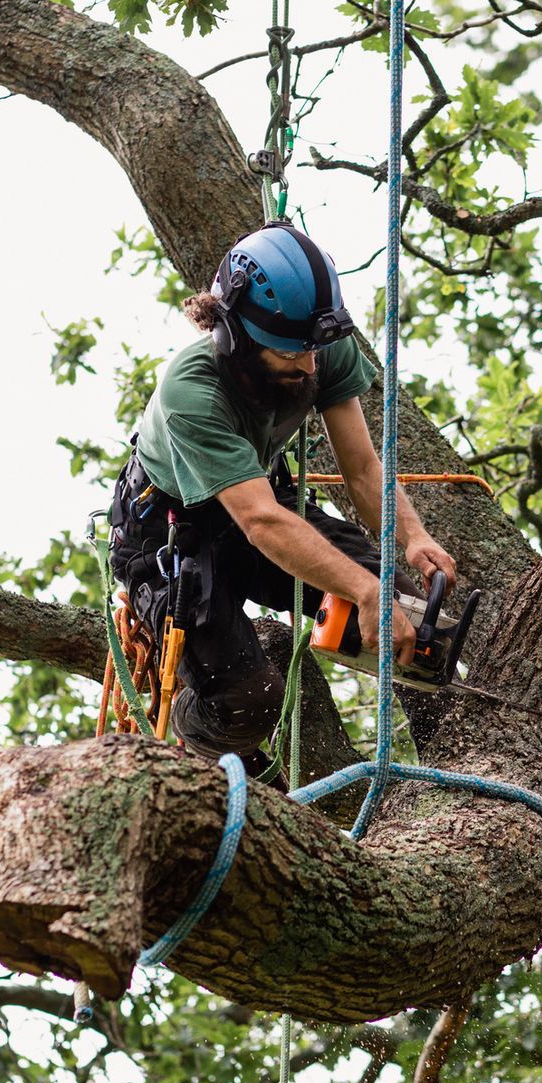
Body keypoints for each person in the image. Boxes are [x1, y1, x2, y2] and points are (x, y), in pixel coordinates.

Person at [107, 219, 458, 768]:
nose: (310, 365)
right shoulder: (191, 391)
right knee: (248, 698)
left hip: (258, 507)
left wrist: (411, 537)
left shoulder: (314, 342)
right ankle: (194, 734)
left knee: (407, 613)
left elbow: (363, 469)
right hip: (172, 538)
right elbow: (262, 523)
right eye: (291, 353)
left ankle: (455, 760)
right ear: (234, 336)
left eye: (314, 350)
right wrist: (362, 592)